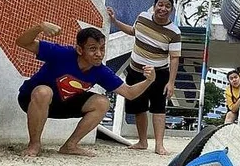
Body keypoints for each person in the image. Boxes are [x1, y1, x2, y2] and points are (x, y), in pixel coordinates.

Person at [15, 22, 156, 158]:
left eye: (102, 48)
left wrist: (149, 81)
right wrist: (40, 27)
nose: (99, 54)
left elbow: (130, 93)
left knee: (102, 102)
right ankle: (34, 144)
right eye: (93, 49)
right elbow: (22, 43)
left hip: (62, 104)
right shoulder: (61, 54)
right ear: (80, 50)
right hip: (31, 100)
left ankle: (70, 145)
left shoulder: (100, 71)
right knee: (44, 92)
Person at [106, 0, 181, 155]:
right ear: (154, 6)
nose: (163, 8)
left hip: (159, 73)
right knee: (138, 107)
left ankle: (159, 145)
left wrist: (171, 82)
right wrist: (115, 22)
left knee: (158, 108)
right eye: (160, 4)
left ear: (172, 10)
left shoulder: (174, 32)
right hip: (135, 71)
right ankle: (142, 141)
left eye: (167, 6)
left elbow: (174, 58)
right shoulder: (142, 17)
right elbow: (133, 31)